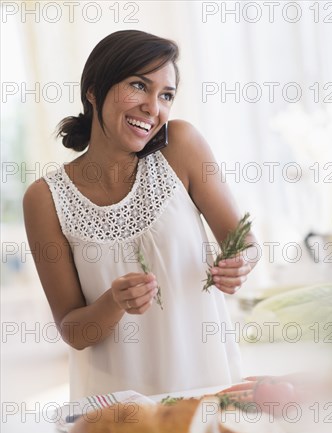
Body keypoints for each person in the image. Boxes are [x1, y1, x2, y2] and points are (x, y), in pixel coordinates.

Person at [23, 30, 257, 401]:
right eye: (138, 85)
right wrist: (112, 303)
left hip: (205, 386)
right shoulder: (45, 198)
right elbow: (73, 331)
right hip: (115, 407)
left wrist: (240, 260)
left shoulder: (181, 147)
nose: (154, 107)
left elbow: (243, 241)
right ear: (94, 90)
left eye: (166, 95)